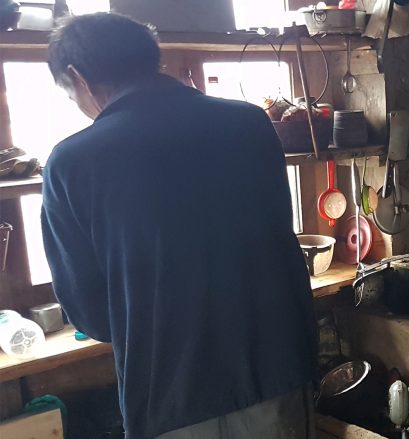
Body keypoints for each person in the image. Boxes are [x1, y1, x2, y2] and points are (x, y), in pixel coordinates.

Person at [41, 13, 317, 439]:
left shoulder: (72, 161)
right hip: (273, 372)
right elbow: (279, 236)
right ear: (152, 59)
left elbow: (90, 312)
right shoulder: (247, 124)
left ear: (77, 77)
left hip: (169, 396)